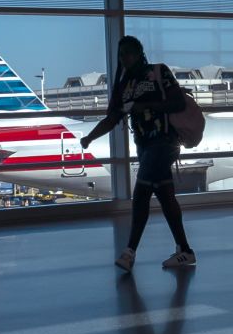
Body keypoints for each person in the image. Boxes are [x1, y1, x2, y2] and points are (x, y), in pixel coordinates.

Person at [82, 36, 195, 271]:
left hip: (164, 143)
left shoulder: (158, 72)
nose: (126, 58)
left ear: (139, 52)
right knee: (165, 197)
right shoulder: (124, 85)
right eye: (122, 54)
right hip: (144, 147)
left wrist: (148, 106)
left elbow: (177, 103)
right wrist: (90, 137)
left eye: (130, 52)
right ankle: (185, 250)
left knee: (141, 192)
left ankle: (129, 252)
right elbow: (113, 118)